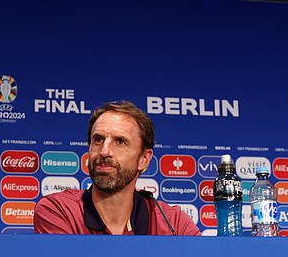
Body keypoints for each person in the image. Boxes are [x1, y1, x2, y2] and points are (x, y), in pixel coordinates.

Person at [34, 100, 201, 236]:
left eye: (120, 142)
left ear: (143, 159)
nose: (104, 151)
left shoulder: (174, 223)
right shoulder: (58, 210)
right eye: (98, 140)